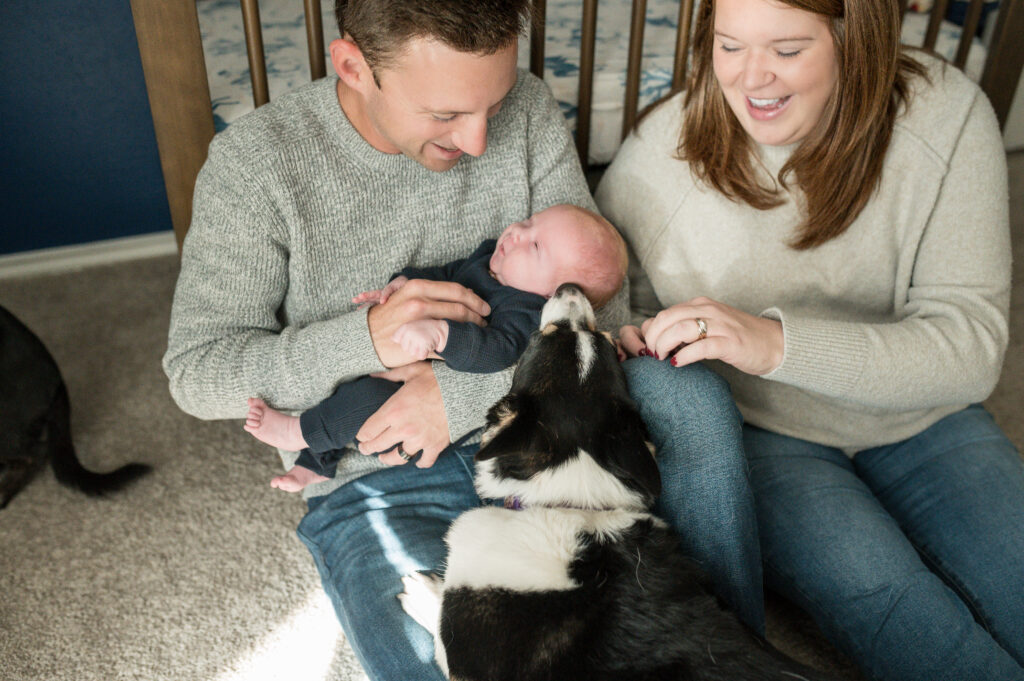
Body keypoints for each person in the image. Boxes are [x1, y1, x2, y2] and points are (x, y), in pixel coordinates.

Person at [161, 1, 761, 678]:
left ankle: (733, 651)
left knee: (693, 399)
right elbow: (197, 371)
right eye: (446, 115)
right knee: (439, 656)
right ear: (353, 66)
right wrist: (365, 339)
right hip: (381, 474)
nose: (479, 141)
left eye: (493, 104)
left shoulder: (526, 108)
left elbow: (601, 301)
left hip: (561, 446)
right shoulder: (256, 165)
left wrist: (457, 393)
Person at [595, 0, 1024, 678]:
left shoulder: (948, 116)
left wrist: (772, 342)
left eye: (787, 49)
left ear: (857, 40)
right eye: (730, 46)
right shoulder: (663, 154)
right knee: (903, 612)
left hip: (926, 415)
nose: (752, 79)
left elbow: (969, 349)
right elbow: (602, 295)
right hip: (770, 436)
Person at [242, 203, 627, 492]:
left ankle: (300, 434)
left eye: (535, 246)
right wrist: (403, 285)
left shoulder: (526, 309)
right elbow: (443, 274)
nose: (515, 234)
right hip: (403, 358)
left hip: (422, 393)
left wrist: (443, 335)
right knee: (349, 388)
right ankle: (318, 463)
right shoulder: (489, 259)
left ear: (552, 293)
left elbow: (500, 351)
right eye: (528, 223)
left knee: (366, 396)